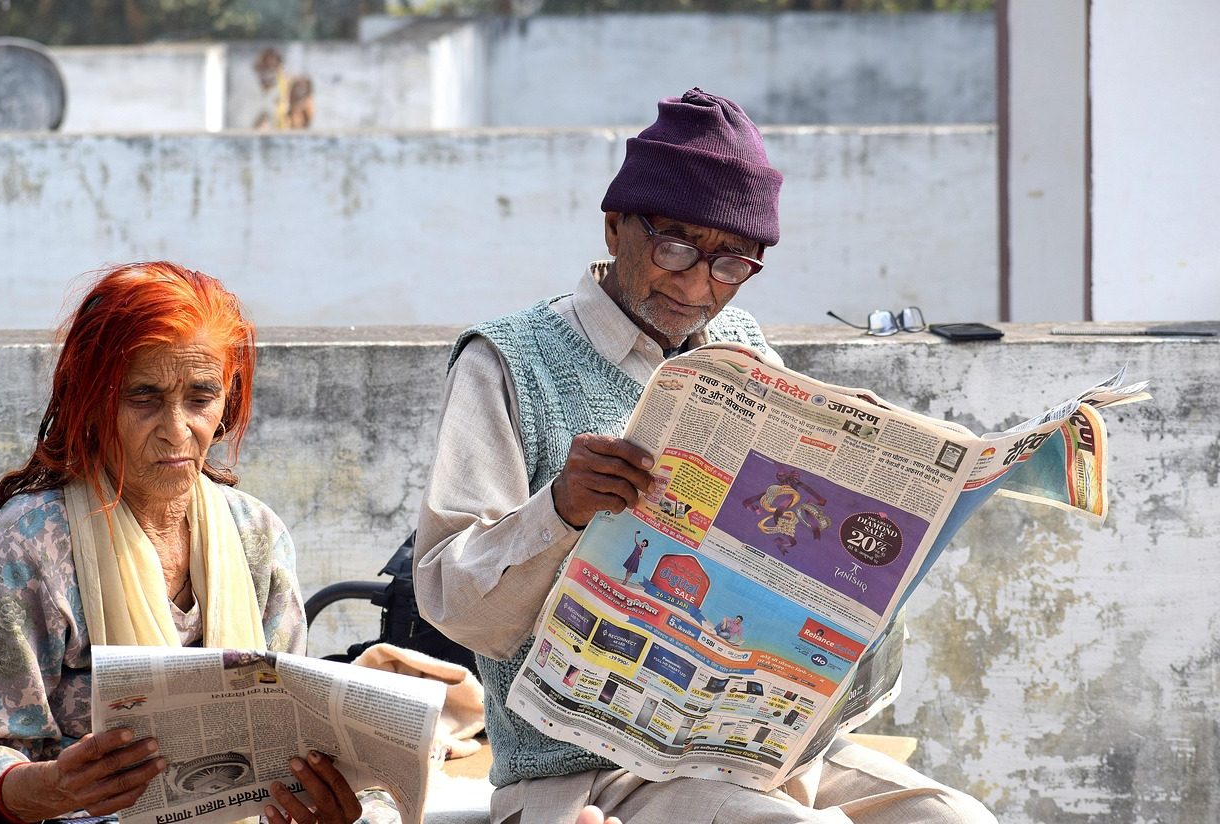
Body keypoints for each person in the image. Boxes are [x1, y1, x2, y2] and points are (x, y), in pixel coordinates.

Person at [414, 88, 997, 823]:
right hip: (591, 775)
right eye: (676, 248)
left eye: (730, 264)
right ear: (615, 225)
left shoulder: (742, 350)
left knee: (954, 819)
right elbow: (450, 602)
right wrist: (560, 510)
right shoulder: (508, 361)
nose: (696, 285)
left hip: (762, 753)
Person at [0, 263, 360, 824]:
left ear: (228, 401)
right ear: (92, 401)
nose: (177, 429)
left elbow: (288, 740)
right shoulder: (33, 544)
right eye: (144, 397)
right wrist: (55, 787)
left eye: (200, 397)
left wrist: (317, 798)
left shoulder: (256, 534)